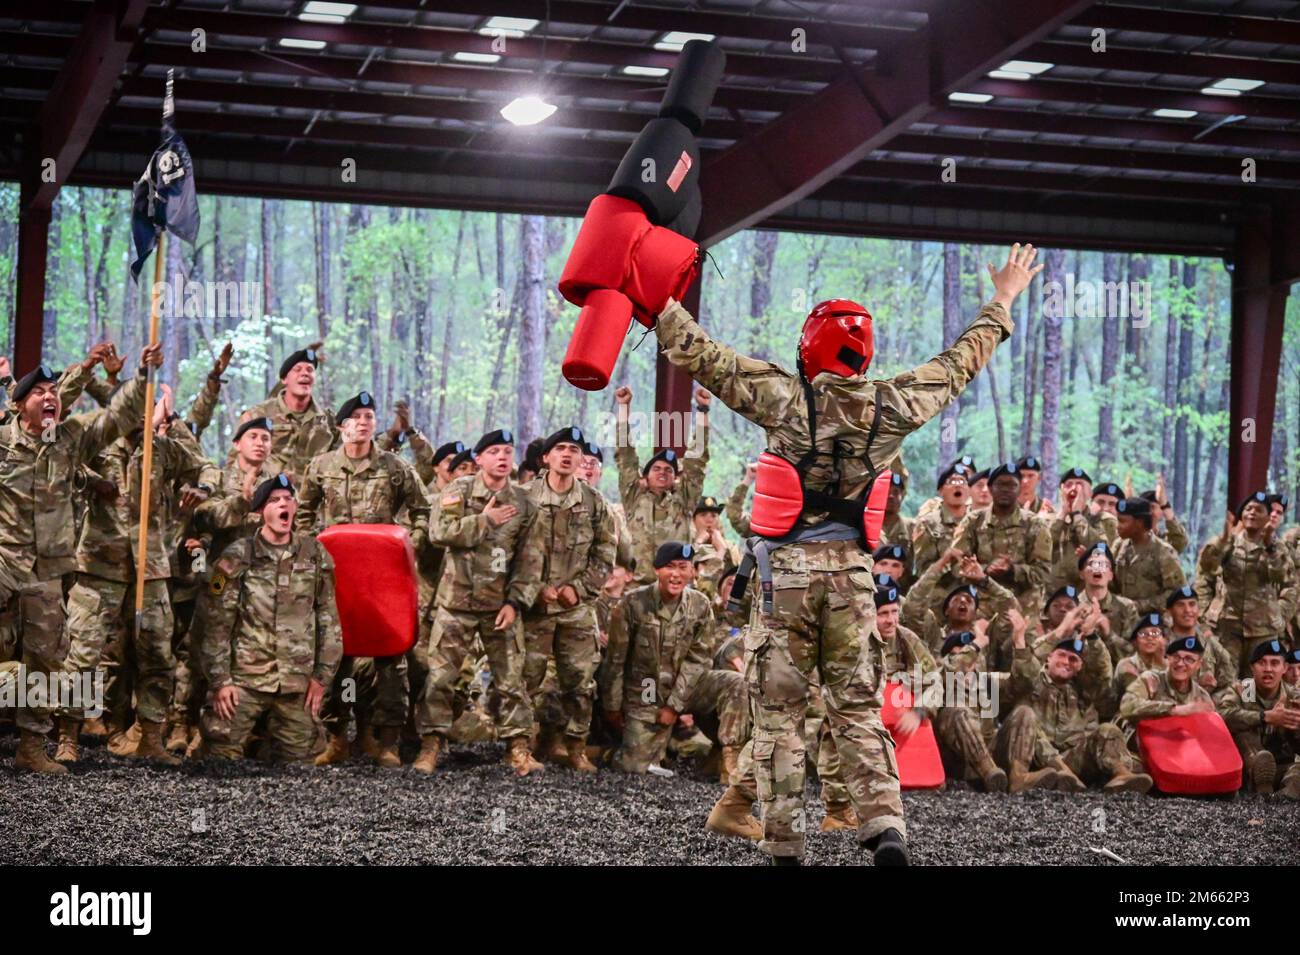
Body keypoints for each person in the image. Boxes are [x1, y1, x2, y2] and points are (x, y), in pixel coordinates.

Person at [654, 242, 1045, 865]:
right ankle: (885, 827)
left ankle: (785, 844)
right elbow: (959, 363)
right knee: (859, 708)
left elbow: (704, 357)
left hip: (785, 580)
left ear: (810, 345)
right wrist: (1002, 297)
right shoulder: (893, 405)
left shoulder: (783, 397)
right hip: (854, 582)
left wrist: (653, 301)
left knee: (779, 715)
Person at [1, 343, 161, 774]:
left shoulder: (69, 441)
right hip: (3, 563)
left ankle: (32, 748)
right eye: (40, 392)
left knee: (45, 660)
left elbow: (116, 418)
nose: (50, 397)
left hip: (48, 573)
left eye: (55, 390)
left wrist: (143, 377)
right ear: (19, 404)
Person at [57, 389, 212, 765]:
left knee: (157, 655)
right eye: (136, 413)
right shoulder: (99, 443)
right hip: (100, 567)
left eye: (149, 414)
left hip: (152, 569)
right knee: (83, 654)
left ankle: (150, 737)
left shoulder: (161, 450)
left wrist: (200, 487)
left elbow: (206, 467)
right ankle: (68, 736)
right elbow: (63, 460)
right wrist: (92, 481)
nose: (141, 420)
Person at [296, 392, 431, 768]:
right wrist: (313, 558)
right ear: (341, 427)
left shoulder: (394, 467)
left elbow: (423, 510)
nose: (364, 422)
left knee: (390, 660)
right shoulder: (321, 466)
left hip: (384, 581)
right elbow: (303, 514)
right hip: (337, 579)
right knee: (338, 656)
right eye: (356, 416)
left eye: (369, 416)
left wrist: (407, 547)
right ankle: (339, 736)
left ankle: (385, 740)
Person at [413, 429, 546, 776]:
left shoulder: (525, 503)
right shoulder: (457, 492)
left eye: (507, 450)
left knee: (511, 680)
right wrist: (483, 521)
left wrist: (515, 602)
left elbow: (530, 560)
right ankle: (431, 745)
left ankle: (518, 749)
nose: (502, 457)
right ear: (479, 459)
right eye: (494, 452)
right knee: (441, 678)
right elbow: (438, 533)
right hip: (455, 602)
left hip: (497, 605)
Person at [197, 475, 342, 762]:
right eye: (274, 500)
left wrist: (321, 678)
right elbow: (216, 623)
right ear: (261, 511)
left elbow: (328, 619)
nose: (283, 504)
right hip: (245, 681)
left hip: (295, 683)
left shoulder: (314, 555)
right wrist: (220, 681)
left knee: (300, 763)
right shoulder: (238, 555)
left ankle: (265, 745)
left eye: (288, 499)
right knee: (219, 756)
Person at [601, 541, 750, 782]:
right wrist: (612, 707)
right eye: (670, 567)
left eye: (683, 567)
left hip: (688, 686)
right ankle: (609, 752)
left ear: (692, 572)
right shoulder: (632, 604)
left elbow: (699, 660)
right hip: (648, 688)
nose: (676, 574)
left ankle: (730, 759)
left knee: (736, 683)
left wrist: (674, 706)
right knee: (636, 767)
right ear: (657, 570)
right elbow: (616, 661)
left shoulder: (700, 605)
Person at [520, 426, 616, 772]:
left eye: (574, 450)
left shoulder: (593, 502)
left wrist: (580, 588)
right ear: (545, 457)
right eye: (560, 448)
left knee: (579, 680)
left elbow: (606, 553)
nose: (567, 454)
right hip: (536, 606)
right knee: (526, 677)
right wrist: (535, 587)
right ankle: (521, 747)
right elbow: (508, 548)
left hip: (576, 608)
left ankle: (574, 746)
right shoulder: (524, 497)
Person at [1000, 627, 1153, 793]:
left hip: (1068, 762)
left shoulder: (1082, 690)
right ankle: (1022, 779)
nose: (1066, 662)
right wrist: (1021, 642)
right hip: (1029, 757)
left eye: (1073, 659)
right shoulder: (1031, 681)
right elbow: (1023, 673)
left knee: (1108, 729)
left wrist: (1093, 637)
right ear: (1048, 658)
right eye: (1061, 655)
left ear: (1080, 666)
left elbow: (1101, 673)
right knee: (1025, 713)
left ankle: (1122, 776)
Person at [612, 384, 710, 584]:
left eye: (668, 470)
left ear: (675, 477)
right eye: (656, 469)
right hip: (638, 587)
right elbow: (625, 455)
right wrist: (624, 408)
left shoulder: (683, 500)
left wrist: (702, 411)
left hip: (676, 587)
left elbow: (696, 460)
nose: (662, 473)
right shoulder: (634, 497)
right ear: (645, 476)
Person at [1195, 493, 1298, 675]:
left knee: (1252, 680)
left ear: (1268, 518)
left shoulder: (1277, 547)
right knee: (1225, 676)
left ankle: (1246, 704)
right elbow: (1208, 567)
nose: (1252, 513)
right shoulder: (1229, 542)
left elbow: (1281, 576)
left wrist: (1269, 547)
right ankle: (1228, 705)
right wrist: (1223, 540)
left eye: (1259, 510)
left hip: (1262, 631)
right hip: (1228, 627)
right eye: (1248, 509)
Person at [950, 460, 1053, 622]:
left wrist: (1012, 570)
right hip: (981, 611)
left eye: (1012, 485)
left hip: (1022, 611)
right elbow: (956, 565)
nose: (1006, 490)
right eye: (1000, 485)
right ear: (990, 488)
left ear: (1019, 489)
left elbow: (1043, 573)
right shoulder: (973, 522)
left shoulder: (1035, 525)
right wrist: (984, 570)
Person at [1218, 640, 1300, 797]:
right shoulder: (1244, 689)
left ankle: (1286, 791)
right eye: (1262, 663)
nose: (1268, 669)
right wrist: (1264, 717)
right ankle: (1260, 777)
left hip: (1284, 762)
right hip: (1250, 762)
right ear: (1252, 667)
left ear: (1284, 668)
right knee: (1244, 728)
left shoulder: (1293, 695)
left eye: (1275, 663)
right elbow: (1222, 716)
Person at [240, 346, 336, 478]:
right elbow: (237, 463)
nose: (305, 373)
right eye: (297, 369)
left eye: (310, 370)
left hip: (314, 495)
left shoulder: (328, 421)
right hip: (270, 494)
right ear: (284, 379)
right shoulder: (258, 415)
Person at [1112, 497, 1185, 617]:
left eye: (1123, 521)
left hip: (1154, 622)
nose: (1118, 526)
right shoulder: (1118, 546)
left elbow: (1176, 592)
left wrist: (1140, 605)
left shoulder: (1163, 552)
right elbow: (1110, 584)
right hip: (1124, 618)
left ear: (1139, 523)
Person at [910, 460, 974, 575]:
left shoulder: (977, 521)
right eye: (952, 481)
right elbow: (922, 569)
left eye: (962, 481)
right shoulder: (928, 524)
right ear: (941, 490)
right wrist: (947, 562)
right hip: (941, 590)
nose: (958, 485)